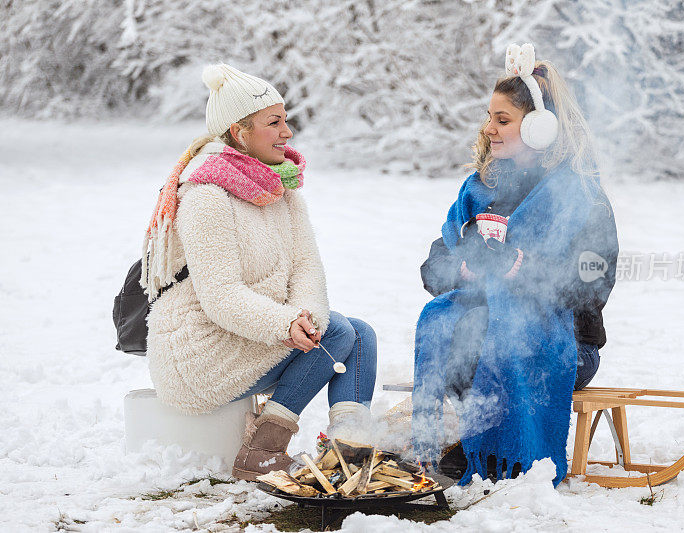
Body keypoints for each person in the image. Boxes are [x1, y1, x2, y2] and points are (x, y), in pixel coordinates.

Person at [141, 63, 377, 481]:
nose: (288, 132)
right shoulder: (206, 196)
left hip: (250, 335)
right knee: (339, 332)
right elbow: (220, 296)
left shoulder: (280, 190)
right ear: (239, 132)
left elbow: (306, 266)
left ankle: (349, 454)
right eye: (274, 122)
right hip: (200, 350)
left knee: (361, 334)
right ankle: (261, 451)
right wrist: (286, 323)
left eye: (285, 120)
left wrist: (304, 314)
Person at [412, 44, 618, 486]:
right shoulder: (480, 189)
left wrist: (518, 269)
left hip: (565, 348)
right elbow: (434, 266)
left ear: (542, 129)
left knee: (493, 331)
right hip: (479, 335)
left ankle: (512, 459)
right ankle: (471, 447)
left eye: (502, 120)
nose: (488, 129)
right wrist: (465, 268)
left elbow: (592, 285)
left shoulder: (581, 198)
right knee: (450, 322)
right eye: (489, 117)